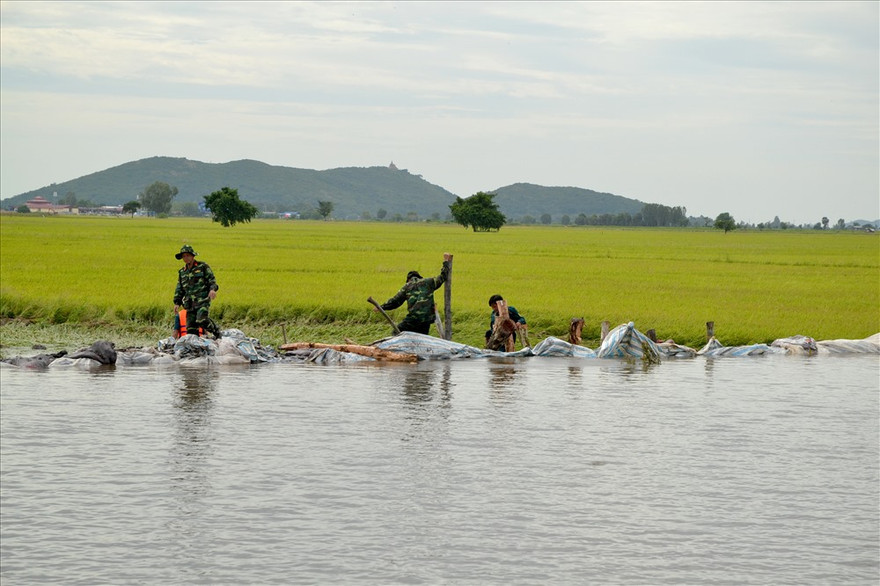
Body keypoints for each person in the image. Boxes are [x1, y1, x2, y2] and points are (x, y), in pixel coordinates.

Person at [376, 253, 452, 335]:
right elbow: (443, 276)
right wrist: (446, 261)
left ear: (408, 279)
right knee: (422, 340)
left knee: (396, 333)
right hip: (426, 320)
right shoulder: (429, 282)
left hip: (413, 319)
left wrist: (381, 307)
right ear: (419, 277)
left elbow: (395, 302)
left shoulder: (407, 286)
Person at [172, 244, 222, 339]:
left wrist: (212, 290)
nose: (186, 258)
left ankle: (217, 332)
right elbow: (180, 288)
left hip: (202, 301)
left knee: (201, 320)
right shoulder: (182, 272)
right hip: (189, 304)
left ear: (193, 256)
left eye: (188, 255)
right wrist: (177, 302)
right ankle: (195, 348)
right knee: (190, 330)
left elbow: (211, 280)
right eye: (184, 256)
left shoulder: (202, 266)